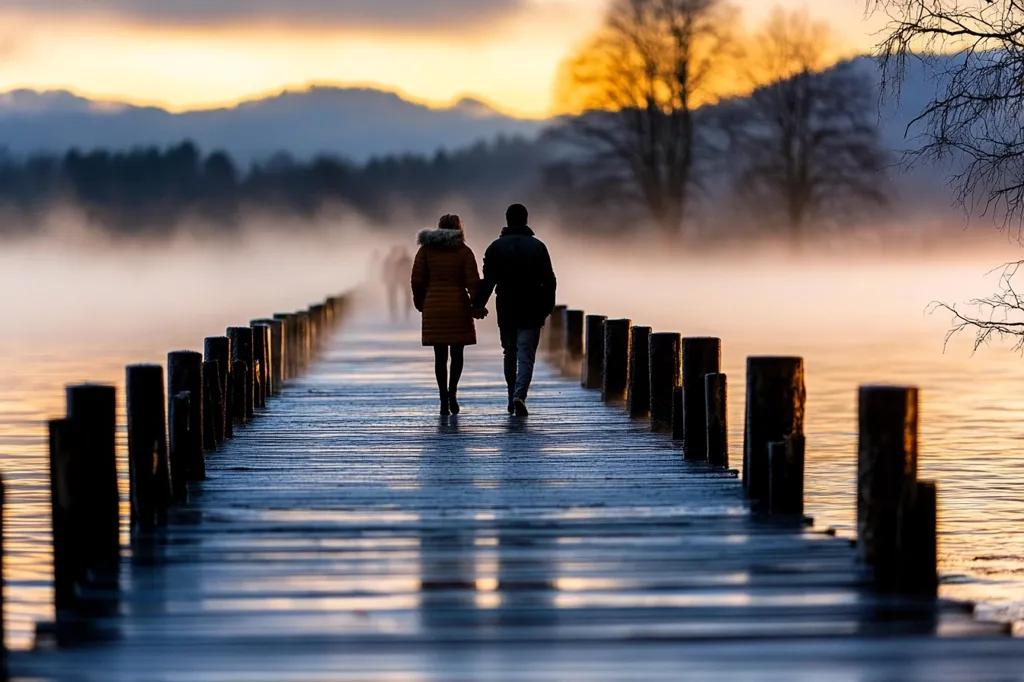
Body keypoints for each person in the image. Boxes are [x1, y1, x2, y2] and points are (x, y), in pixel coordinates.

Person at [474, 203, 556, 417]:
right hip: (532, 306)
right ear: (526, 220)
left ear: (507, 220)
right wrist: (547, 308)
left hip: (507, 306)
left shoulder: (495, 247)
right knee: (526, 355)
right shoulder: (538, 247)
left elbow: (488, 281)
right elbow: (550, 281)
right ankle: (520, 395)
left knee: (509, 352)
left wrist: (478, 305)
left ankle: (511, 394)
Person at [411, 214, 487, 416]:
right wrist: (477, 306)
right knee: (457, 354)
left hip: (434, 306)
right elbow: (473, 282)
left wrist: (421, 303)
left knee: (439, 356)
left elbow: (417, 280)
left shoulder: (426, 251)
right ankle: (453, 391)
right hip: (458, 307)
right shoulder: (464, 252)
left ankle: (443, 397)